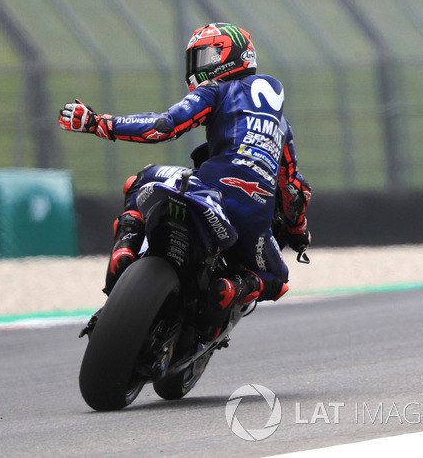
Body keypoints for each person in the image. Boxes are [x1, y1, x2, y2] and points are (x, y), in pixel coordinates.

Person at [59, 22, 311, 340]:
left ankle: (125, 249)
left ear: (233, 57)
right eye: (197, 59)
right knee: (276, 278)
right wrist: (299, 233)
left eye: (208, 57)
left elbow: (163, 126)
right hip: (254, 218)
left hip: (212, 191)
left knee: (140, 181)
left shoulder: (217, 90)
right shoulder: (281, 125)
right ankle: (233, 287)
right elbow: (293, 188)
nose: (200, 67)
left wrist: (99, 123)